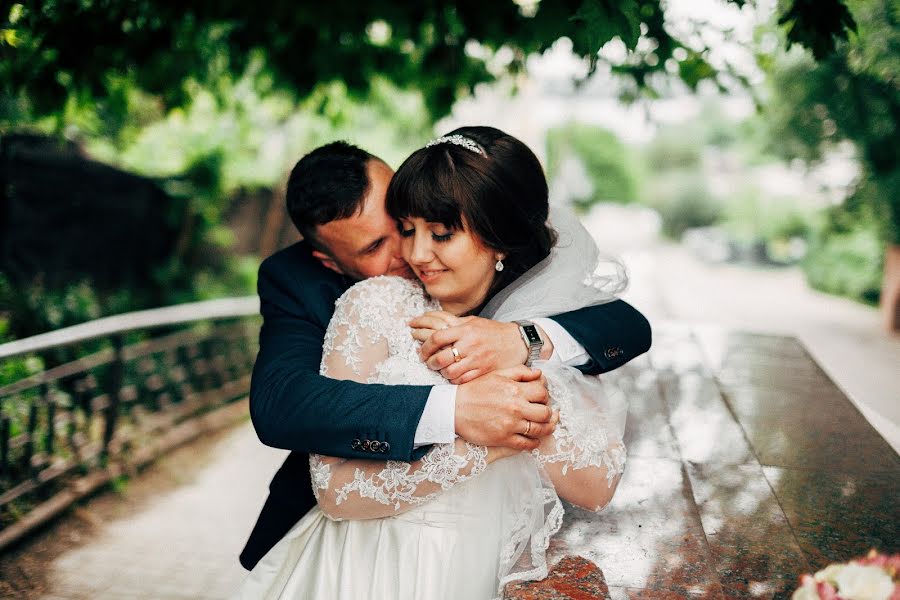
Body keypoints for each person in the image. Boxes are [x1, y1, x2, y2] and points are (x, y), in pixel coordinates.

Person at [236, 127, 636, 599]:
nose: (411, 253)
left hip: (492, 558)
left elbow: (629, 328)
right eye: (388, 240)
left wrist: (521, 344)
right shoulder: (360, 300)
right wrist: (462, 415)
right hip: (373, 559)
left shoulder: (532, 308)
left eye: (428, 228)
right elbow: (283, 407)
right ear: (330, 261)